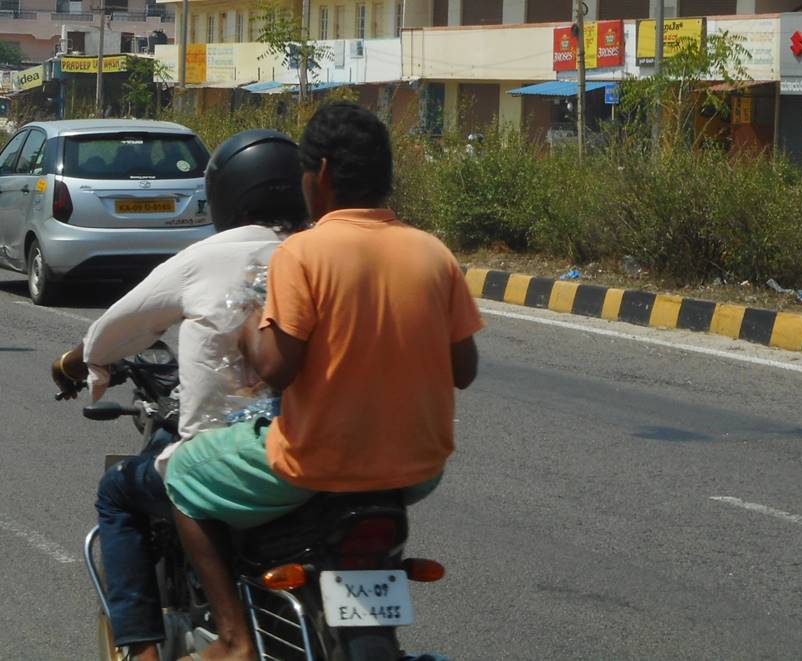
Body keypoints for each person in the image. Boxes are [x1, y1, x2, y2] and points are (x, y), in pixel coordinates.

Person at [163, 102, 483, 661]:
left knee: (184, 478)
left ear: (322, 176)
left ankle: (235, 640)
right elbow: (465, 370)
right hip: (417, 470)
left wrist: (247, 329)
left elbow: (276, 368)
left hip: (318, 463)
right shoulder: (435, 255)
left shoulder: (303, 253)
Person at [51, 130, 309, 661]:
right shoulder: (317, 255)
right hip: (312, 448)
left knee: (118, 492)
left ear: (225, 194)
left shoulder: (205, 258)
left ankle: (141, 650)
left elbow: (115, 330)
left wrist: (75, 363)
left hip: (234, 456)